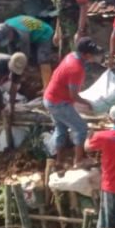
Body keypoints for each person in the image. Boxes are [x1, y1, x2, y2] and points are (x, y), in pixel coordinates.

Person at [42, 37, 102, 168]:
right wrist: (88, 103)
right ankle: (78, 161)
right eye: (93, 54)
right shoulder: (76, 69)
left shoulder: (71, 56)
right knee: (81, 128)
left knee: (61, 128)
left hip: (50, 99)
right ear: (87, 55)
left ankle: (58, 161)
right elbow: (73, 96)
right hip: (59, 102)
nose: (94, 57)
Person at [0, 15, 55, 90]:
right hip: (33, 35)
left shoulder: (22, 33)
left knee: (42, 60)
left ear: (10, 32)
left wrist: (20, 69)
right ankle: (40, 83)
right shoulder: (6, 26)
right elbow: (11, 50)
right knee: (34, 61)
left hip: (44, 33)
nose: (8, 41)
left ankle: (48, 88)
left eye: (7, 38)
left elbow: (24, 56)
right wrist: (11, 65)